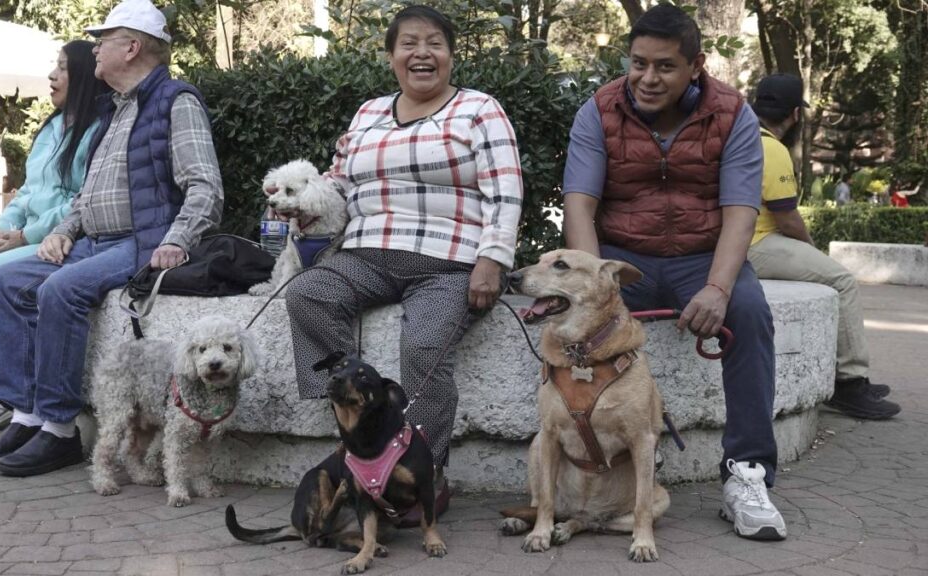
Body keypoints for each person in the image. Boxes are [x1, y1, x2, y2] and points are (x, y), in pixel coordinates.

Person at [283, 4, 522, 525]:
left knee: (422, 346)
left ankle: (426, 476)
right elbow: (340, 184)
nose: (422, 53)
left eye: (434, 43)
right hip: (366, 253)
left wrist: (493, 259)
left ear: (451, 56)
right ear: (391, 55)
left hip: (449, 262)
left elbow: (505, 192)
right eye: (409, 43)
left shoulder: (480, 110)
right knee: (307, 293)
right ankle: (362, 426)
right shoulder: (368, 113)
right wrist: (304, 205)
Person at [0, 0, 223, 477]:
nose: (94, 48)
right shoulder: (113, 110)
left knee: (60, 289)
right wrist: (63, 231)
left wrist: (179, 239)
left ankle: (60, 431)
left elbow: (205, 185)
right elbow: (88, 195)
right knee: (6, 281)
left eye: (102, 39)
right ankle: (26, 415)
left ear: (132, 47)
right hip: (93, 241)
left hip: (140, 241)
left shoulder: (176, 101)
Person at [562, 4, 786, 541]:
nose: (647, 78)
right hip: (622, 258)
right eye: (638, 63)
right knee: (568, 327)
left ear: (696, 66)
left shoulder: (732, 113)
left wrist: (717, 286)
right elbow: (578, 205)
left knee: (749, 312)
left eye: (664, 66)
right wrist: (594, 286)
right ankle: (585, 468)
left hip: (700, 258)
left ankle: (746, 474)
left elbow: (740, 212)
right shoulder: (600, 109)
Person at [0, 40, 108, 435]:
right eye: (54, 67)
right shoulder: (51, 128)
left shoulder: (96, 131)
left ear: (85, 77)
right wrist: (5, 224)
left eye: (63, 68)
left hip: (57, 237)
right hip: (23, 231)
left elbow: (79, 201)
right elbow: (27, 191)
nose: (52, 76)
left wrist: (26, 234)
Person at [748, 74, 901, 420]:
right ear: (794, 115)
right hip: (756, 243)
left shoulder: (740, 137)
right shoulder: (771, 148)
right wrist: (813, 249)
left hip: (742, 241)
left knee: (827, 274)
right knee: (842, 279)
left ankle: (843, 376)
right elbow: (786, 219)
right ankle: (850, 384)